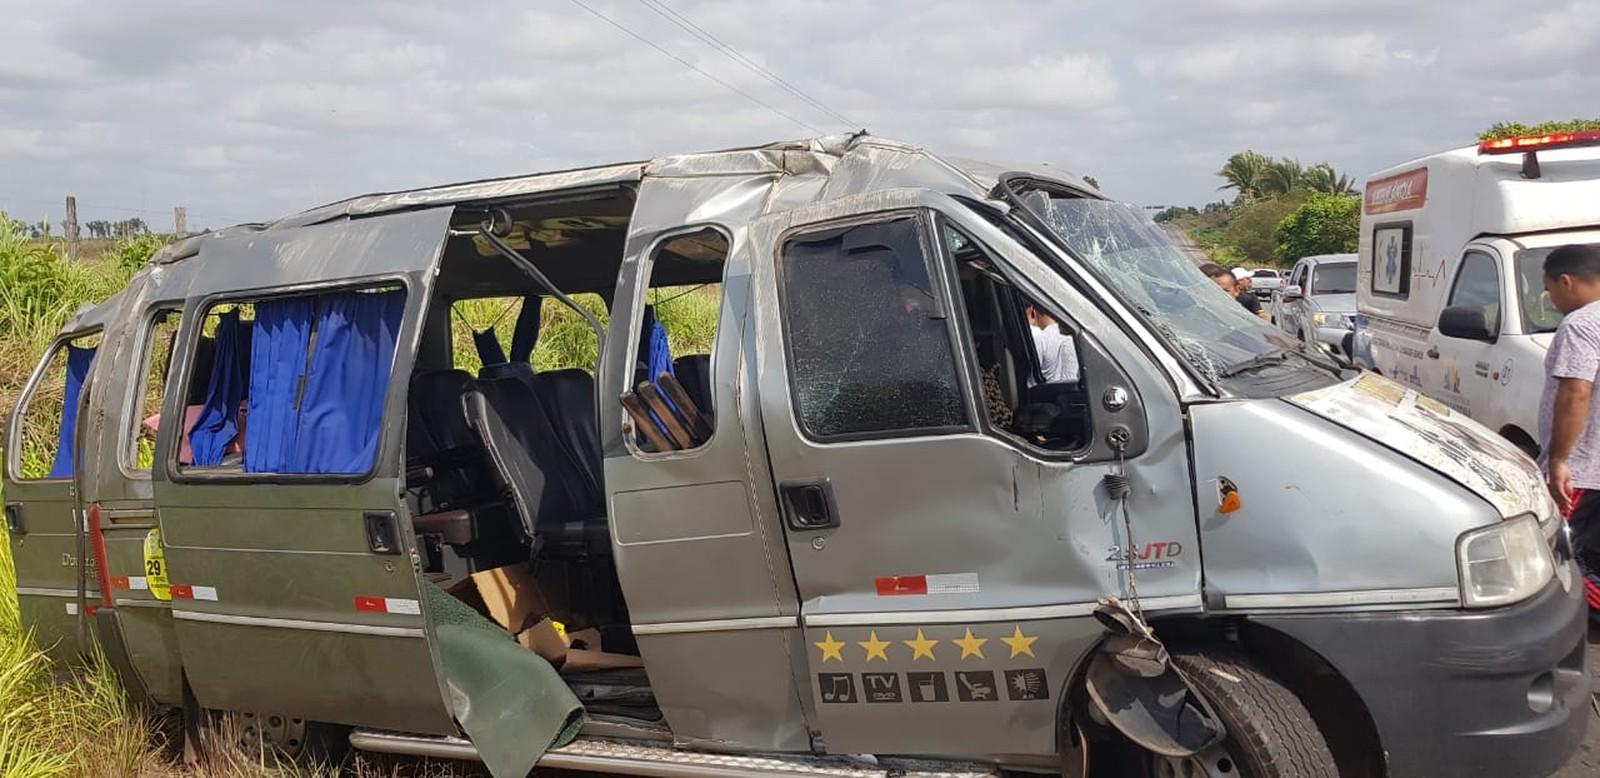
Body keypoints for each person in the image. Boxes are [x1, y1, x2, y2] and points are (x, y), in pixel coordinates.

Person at [1538, 243, 1600, 614]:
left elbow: (1576, 392)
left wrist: (1560, 459)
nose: (1551, 298)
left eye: (1549, 289)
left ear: (1566, 281)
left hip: (1585, 467)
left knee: (1560, 555)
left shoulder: (1581, 325)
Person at [1025, 303, 1080, 384]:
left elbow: (1031, 379)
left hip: (1047, 393)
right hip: (1070, 392)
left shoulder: (1040, 340)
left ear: (1034, 311)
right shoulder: (1071, 337)